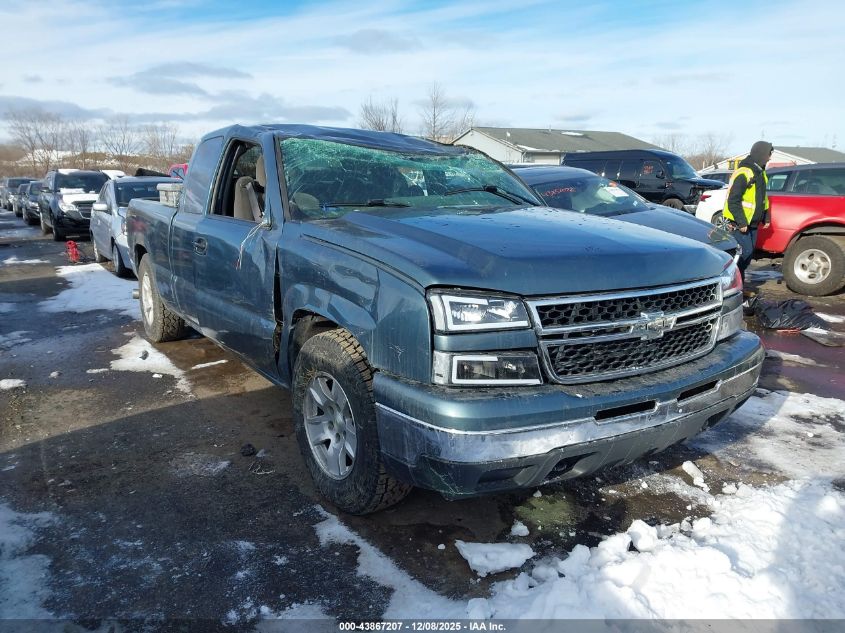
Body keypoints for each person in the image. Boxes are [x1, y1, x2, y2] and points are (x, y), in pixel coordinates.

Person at [723, 141, 774, 283]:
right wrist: (741, 221)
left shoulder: (761, 173)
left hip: (752, 223)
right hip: (740, 223)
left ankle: (739, 284)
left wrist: (766, 217)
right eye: (769, 155)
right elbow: (733, 200)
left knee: (748, 255)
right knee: (744, 254)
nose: (770, 158)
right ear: (761, 153)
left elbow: (763, 199)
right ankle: (731, 282)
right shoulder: (744, 173)